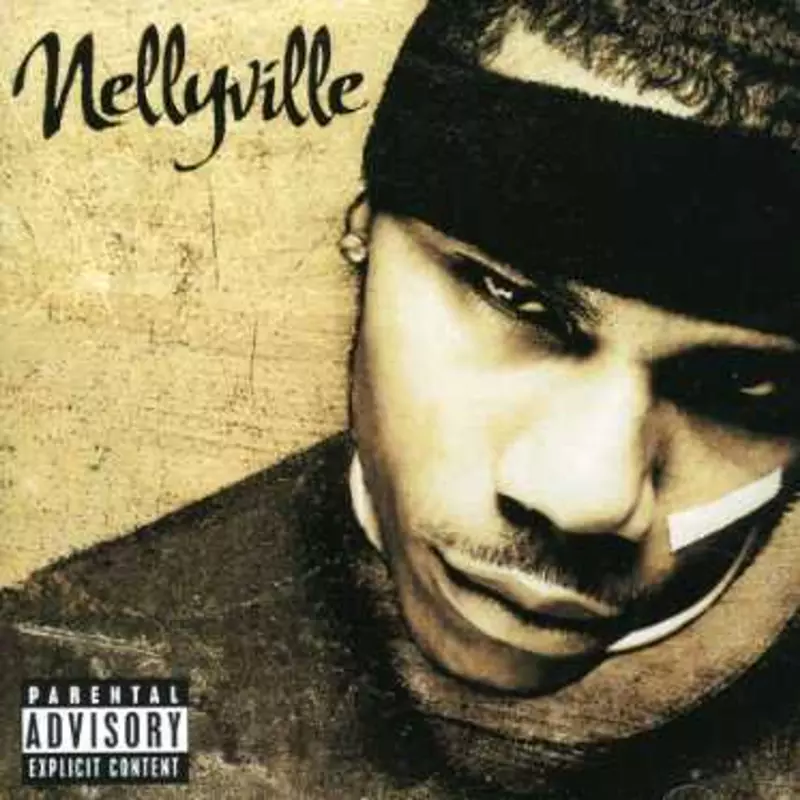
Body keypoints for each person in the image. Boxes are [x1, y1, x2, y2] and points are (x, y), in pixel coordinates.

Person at [1, 1, 798, 797]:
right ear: (362, 231)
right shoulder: (72, 676)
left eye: (744, 386)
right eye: (514, 301)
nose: (582, 496)